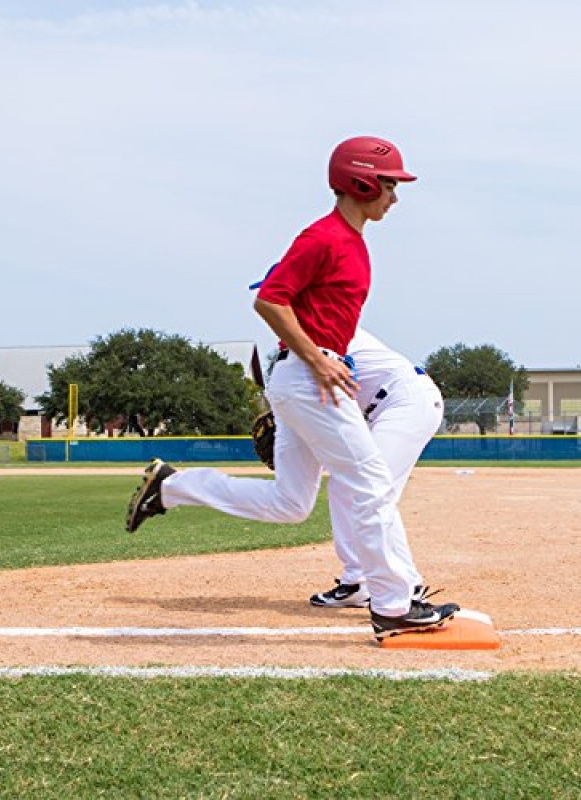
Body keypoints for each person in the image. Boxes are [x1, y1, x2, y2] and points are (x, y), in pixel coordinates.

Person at [125, 136, 459, 640]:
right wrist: (317, 359)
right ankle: (394, 602)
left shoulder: (353, 241)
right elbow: (270, 301)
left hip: (305, 379)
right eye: (389, 184)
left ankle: (172, 487)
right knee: (368, 483)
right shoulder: (323, 237)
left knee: (291, 502)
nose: (394, 196)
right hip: (310, 378)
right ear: (361, 181)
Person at [310, 327, 444, 608]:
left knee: (372, 491)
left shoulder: (324, 327)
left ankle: (407, 583)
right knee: (344, 485)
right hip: (382, 408)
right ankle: (356, 581)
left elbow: (336, 396)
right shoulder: (306, 337)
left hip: (404, 402)